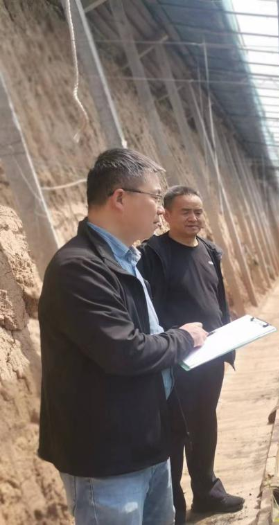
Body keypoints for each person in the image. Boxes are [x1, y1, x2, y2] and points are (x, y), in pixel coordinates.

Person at [38, 148, 209, 525]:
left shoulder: (125, 260)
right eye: (155, 197)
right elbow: (125, 350)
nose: (161, 210)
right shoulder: (78, 269)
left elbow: (143, 337)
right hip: (108, 458)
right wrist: (184, 338)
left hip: (147, 442)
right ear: (119, 198)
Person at [138, 185, 244, 524]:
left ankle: (207, 491)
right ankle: (173, 507)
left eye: (198, 211)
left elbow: (216, 298)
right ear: (166, 215)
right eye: (185, 212)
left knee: (204, 422)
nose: (193, 218)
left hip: (210, 355)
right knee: (175, 431)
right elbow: (147, 309)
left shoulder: (209, 251)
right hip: (176, 359)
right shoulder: (154, 254)